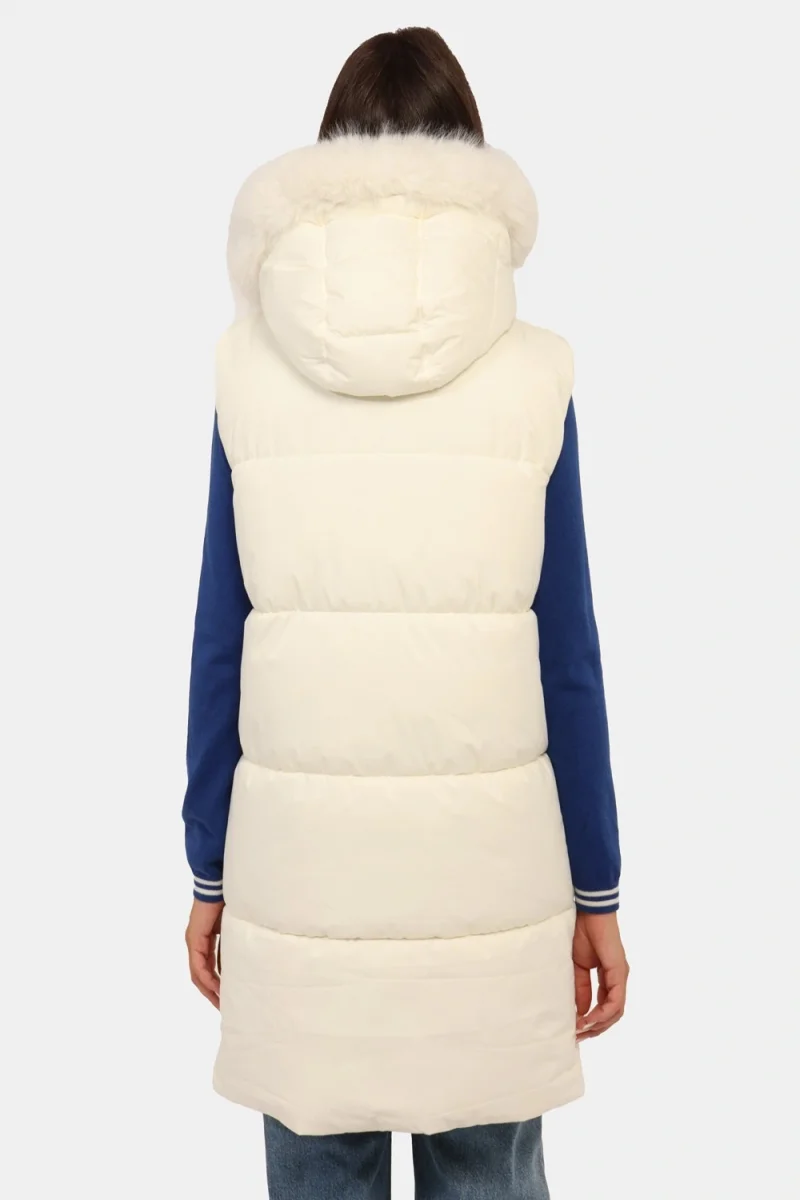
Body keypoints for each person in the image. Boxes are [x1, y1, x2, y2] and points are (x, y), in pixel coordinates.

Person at [182, 25, 628, 1199]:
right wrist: (594, 889)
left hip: (299, 897)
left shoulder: (247, 371)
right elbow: (566, 656)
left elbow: (222, 644)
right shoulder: (534, 374)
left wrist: (208, 869)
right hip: (490, 906)